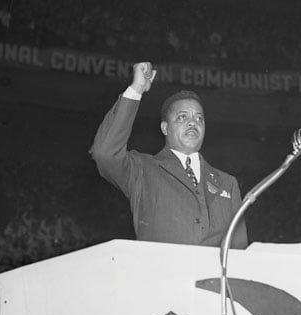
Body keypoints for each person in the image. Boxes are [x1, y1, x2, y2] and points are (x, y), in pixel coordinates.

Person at [90, 62, 248, 248]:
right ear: (165, 128)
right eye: (182, 117)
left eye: (199, 118)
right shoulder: (142, 170)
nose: (192, 123)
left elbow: (238, 253)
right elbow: (104, 153)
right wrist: (136, 90)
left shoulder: (228, 183)